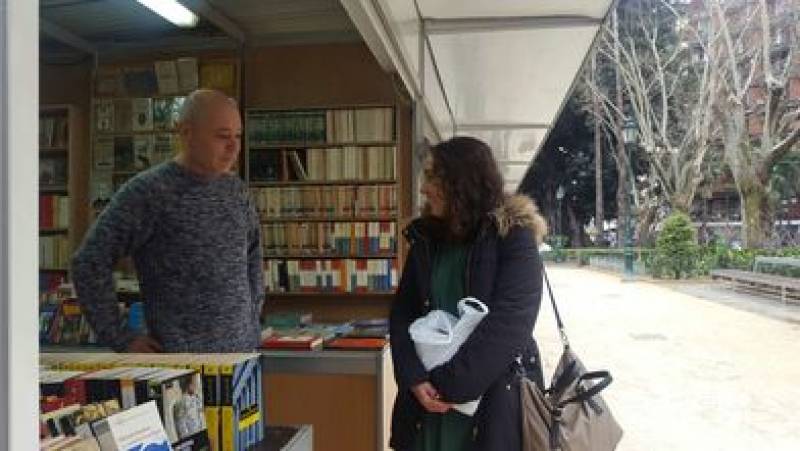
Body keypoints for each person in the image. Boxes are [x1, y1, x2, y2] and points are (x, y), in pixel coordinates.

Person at [72, 89, 264, 353]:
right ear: (186, 133)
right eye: (222, 136)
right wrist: (120, 336)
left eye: (238, 136)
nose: (234, 147)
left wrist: (253, 318)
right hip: (180, 369)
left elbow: (253, 257)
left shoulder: (237, 191)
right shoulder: (149, 192)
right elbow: (89, 261)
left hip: (242, 361)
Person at [389, 136, 547, 451]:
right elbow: (403, 312)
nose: (423, 188)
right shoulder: (427, 239)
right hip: (424, 408)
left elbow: (509, 326)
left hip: (489, 406)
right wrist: (414, 379)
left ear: (463, 181)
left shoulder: (513, 237)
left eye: (433, 177)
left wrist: (443, 386)